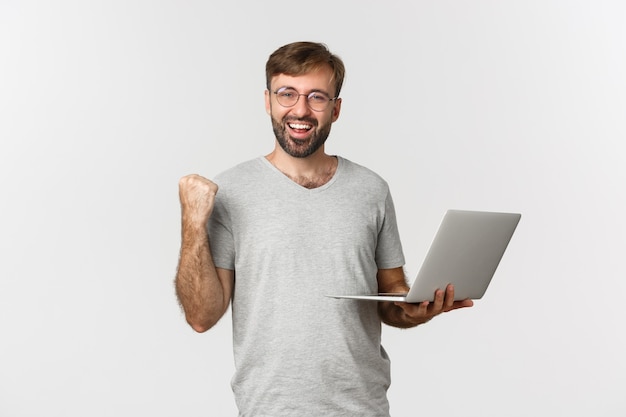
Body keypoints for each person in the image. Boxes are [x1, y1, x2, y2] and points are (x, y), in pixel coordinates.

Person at [175, 41, 473, 416]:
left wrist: (419, 308)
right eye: (287, 94)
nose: (300, 110)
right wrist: (192, 223)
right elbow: (202, 317)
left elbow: (392, 298)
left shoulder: (371, 190)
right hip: (270, 408)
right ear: (267, 101)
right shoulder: (232, 190)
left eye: (317, 97)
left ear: (336, 108)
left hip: (362, 406)